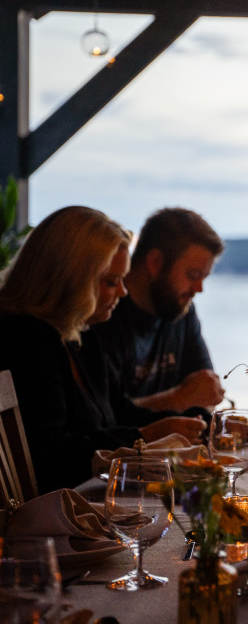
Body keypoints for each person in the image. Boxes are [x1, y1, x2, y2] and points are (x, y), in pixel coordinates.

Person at [0, 206, 208, 492]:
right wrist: (143, 437)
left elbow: (121, 412)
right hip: (49, 519)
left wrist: (204, 424)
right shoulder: (26, 342)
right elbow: (50, 456)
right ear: (70, 278)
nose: (123, 292)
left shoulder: (78, 335)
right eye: (112, 281)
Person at [84, 207, 225, 412]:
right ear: (155, 262)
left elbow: (205, 393)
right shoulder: (103, 314)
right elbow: (104, 419)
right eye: (193, 275)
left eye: (204, 278)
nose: (199, 289)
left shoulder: (181, 310)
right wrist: (178, 399)